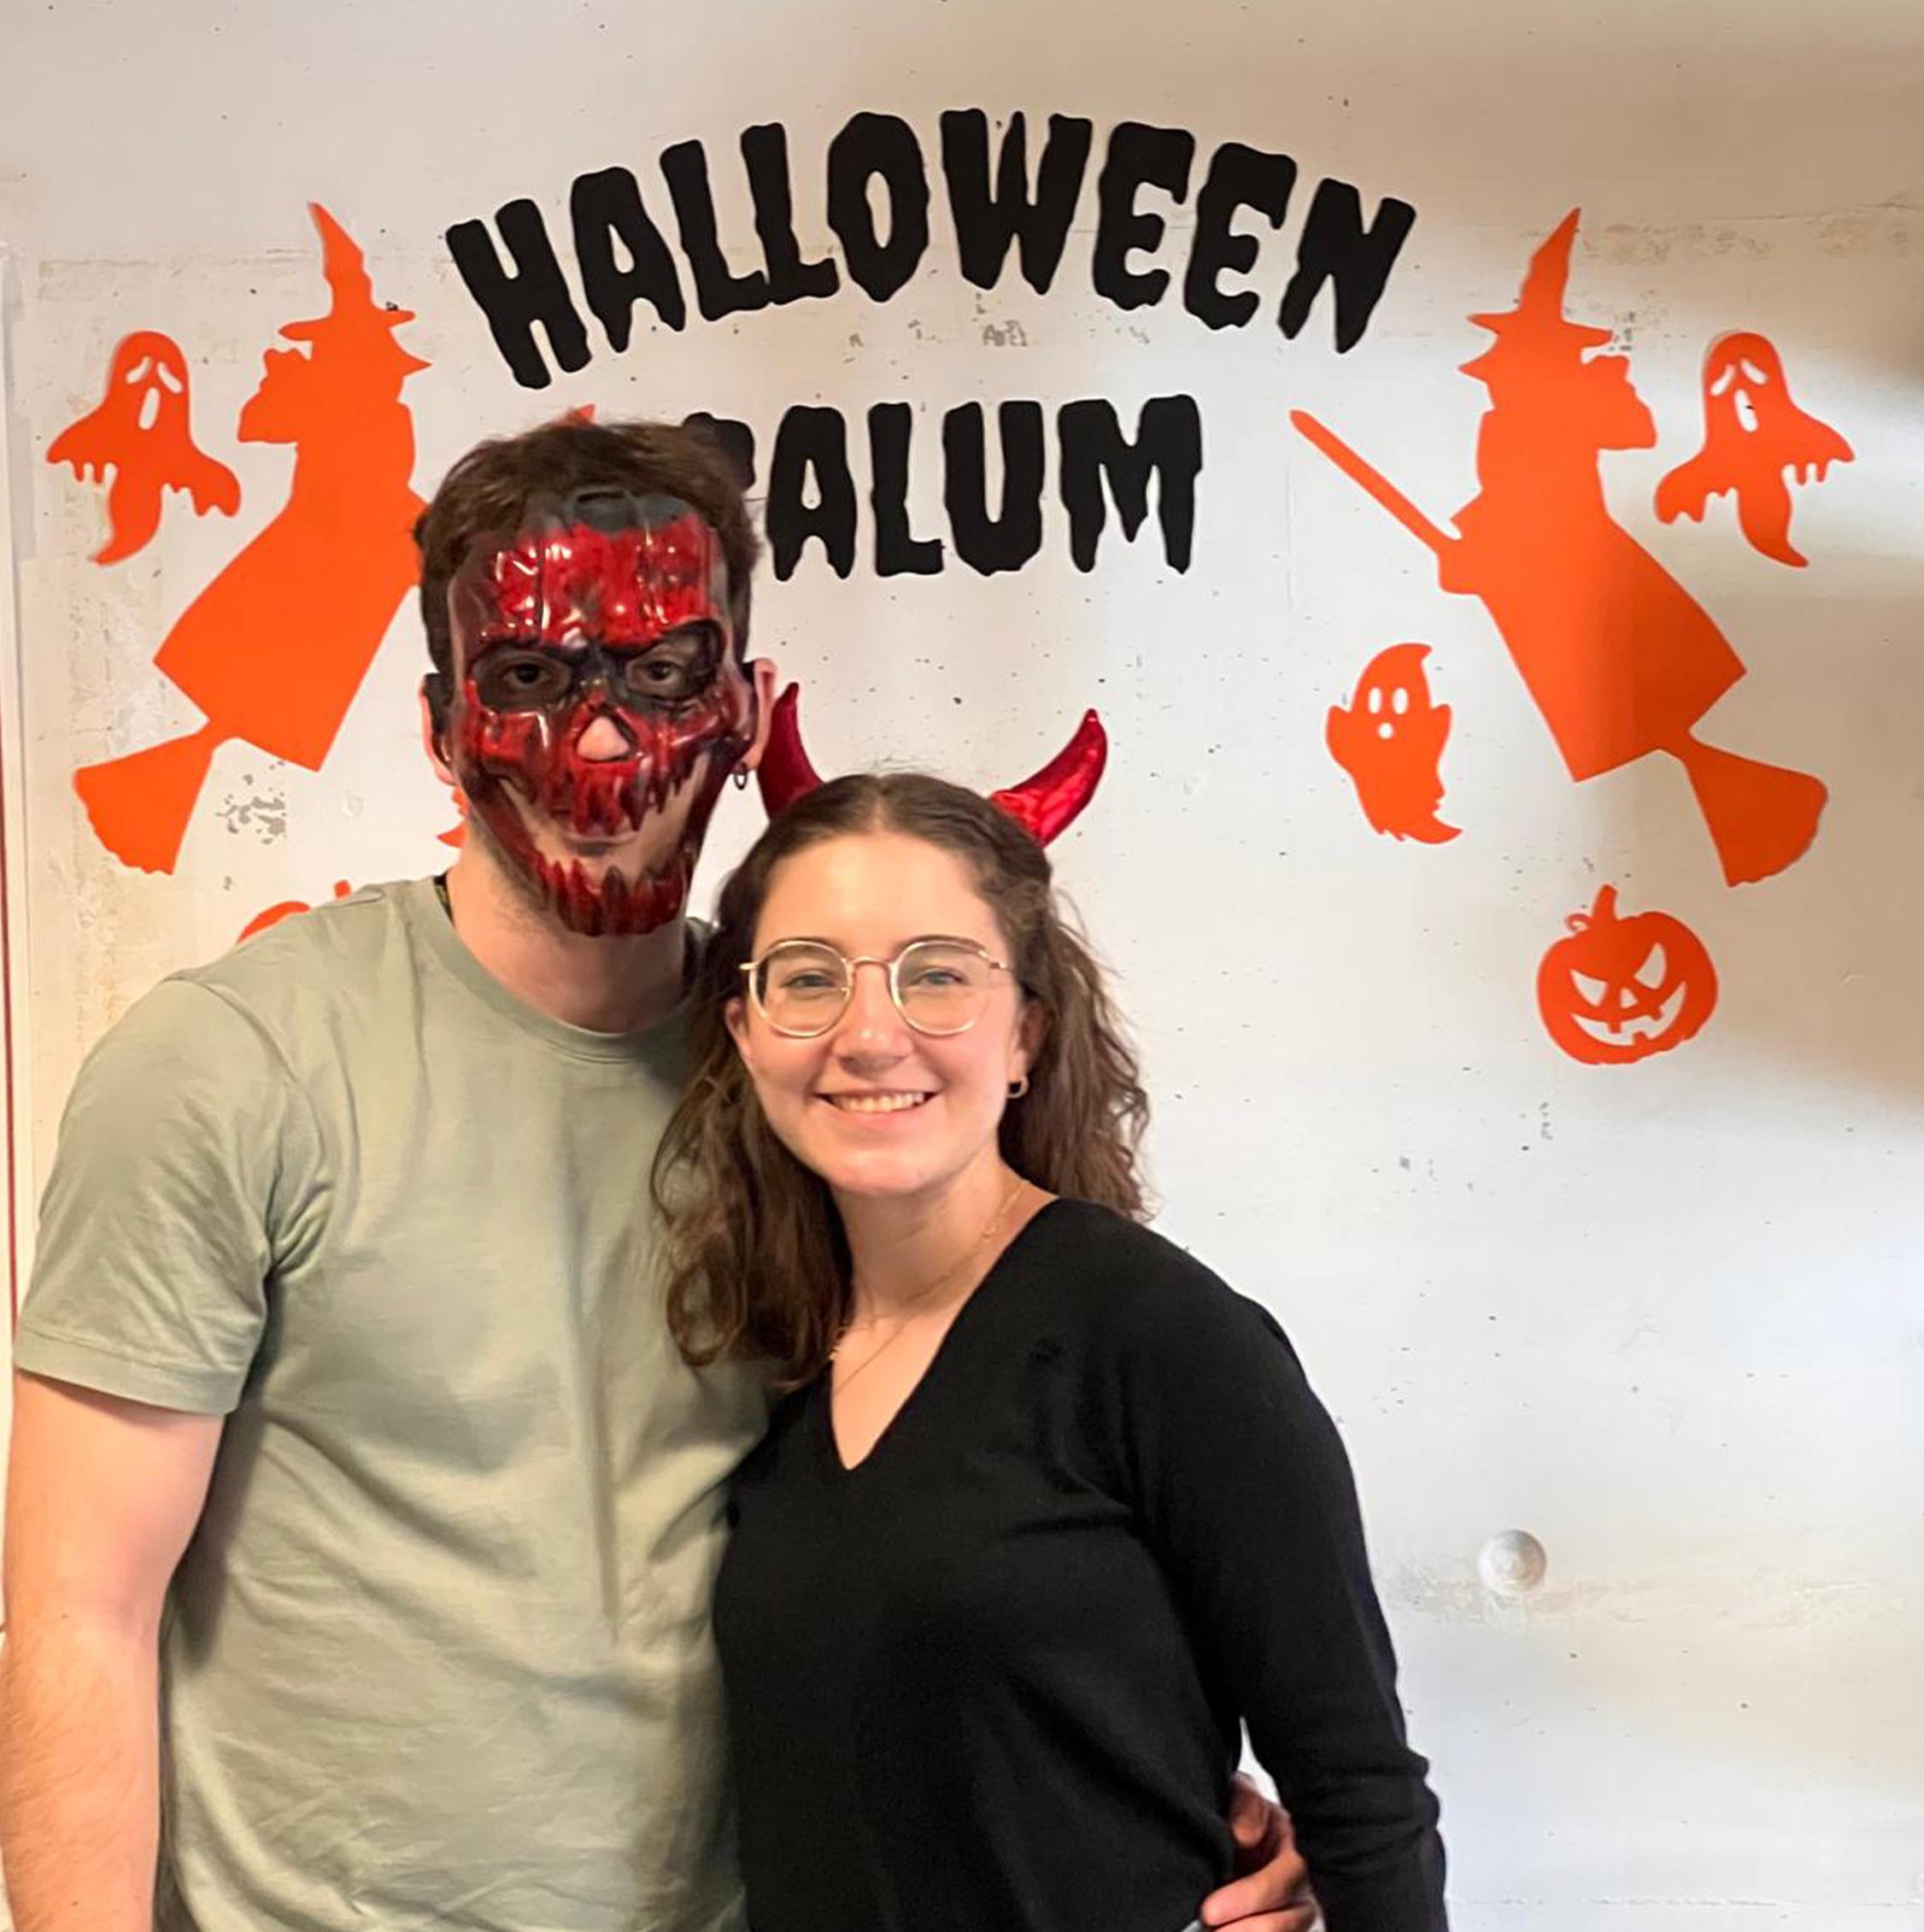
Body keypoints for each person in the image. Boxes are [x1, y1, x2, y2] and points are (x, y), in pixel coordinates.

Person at [0, 417, 1314, 1932]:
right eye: (531, 677)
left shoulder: (820, 1080)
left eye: (664, 673)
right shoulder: (233, 1065)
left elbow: (996, 1501)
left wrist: (1158, 1795)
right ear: (439, 725)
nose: (606, 741)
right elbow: (77, 1616)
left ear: (744, 710)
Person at [654, 770, 1449, 1932]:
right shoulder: (771, 1363)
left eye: (937, 975)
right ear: (746, 1031)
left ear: (1025, 1030)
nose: (869, 1034)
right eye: (810, 978)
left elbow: (1362, 1794)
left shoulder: (1159, 1338)